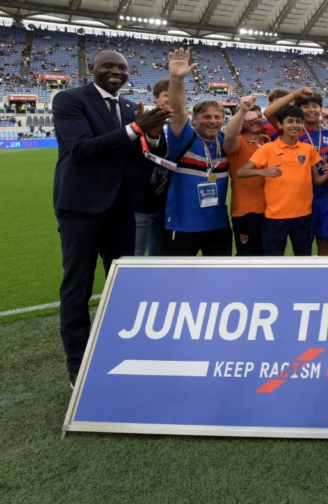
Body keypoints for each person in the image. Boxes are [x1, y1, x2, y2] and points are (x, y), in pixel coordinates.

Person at [52, 49, 170, 387]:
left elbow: (148, 154)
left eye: (122, 67)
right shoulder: (69, 100)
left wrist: (155, 132)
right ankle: (78, 364)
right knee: (78, 287)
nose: (116, 71)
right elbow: (83, 149)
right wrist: (137, 127)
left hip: (122, 207)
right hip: (81, 208)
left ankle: (121, 350)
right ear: (91, 69)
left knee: (123, 285)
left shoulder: (131, 107)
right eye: (108, 66)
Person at [237, 104, 328, 256]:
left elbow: (317, 181)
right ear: (280, 124)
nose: (295, 125)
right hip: (276, 216)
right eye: (290, 121)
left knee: (303, 259)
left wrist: (327, 174)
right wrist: (262, 171)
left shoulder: (308, 149)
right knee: (274, 261)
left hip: (303, 215)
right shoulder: (268, 149)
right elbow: (241, 172)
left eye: (298, 121)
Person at [163, 48, 233, 256]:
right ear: (194, 119)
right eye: (206, 116)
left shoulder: (225, 142)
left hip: (219, 226)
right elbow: (177, 109)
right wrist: (176, 80)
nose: (212, 121)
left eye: (217, 117)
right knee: (178, 283)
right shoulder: (184, 138)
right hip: (183, 225)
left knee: (219, 282)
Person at [265, 88, 328, 257]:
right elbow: (269, 112)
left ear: (321, 108)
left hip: (326, 195)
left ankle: (322, 279)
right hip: (299, 198)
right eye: (305, 106)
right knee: (302, 245)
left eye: (315, 105)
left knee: (325, 242)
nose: (311, 109)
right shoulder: (291, 132)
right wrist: (295, 95)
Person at [224, 95, 269, 256]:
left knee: (269, 256)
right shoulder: (238, 142)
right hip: (247, 212)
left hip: (270, 211)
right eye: (250, 117)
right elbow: (228, 137)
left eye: (258, 116)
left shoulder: (266, 143)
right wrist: (243, 111)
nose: (255, 119)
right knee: (248, 257)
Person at [131, 78, 171, 256]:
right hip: (143, 197)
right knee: (137, 252)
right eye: (166, 96)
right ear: (155, 97)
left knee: (159, 253)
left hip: (168, 199)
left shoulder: (186, 126)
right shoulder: (143, 120)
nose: (171, 99)